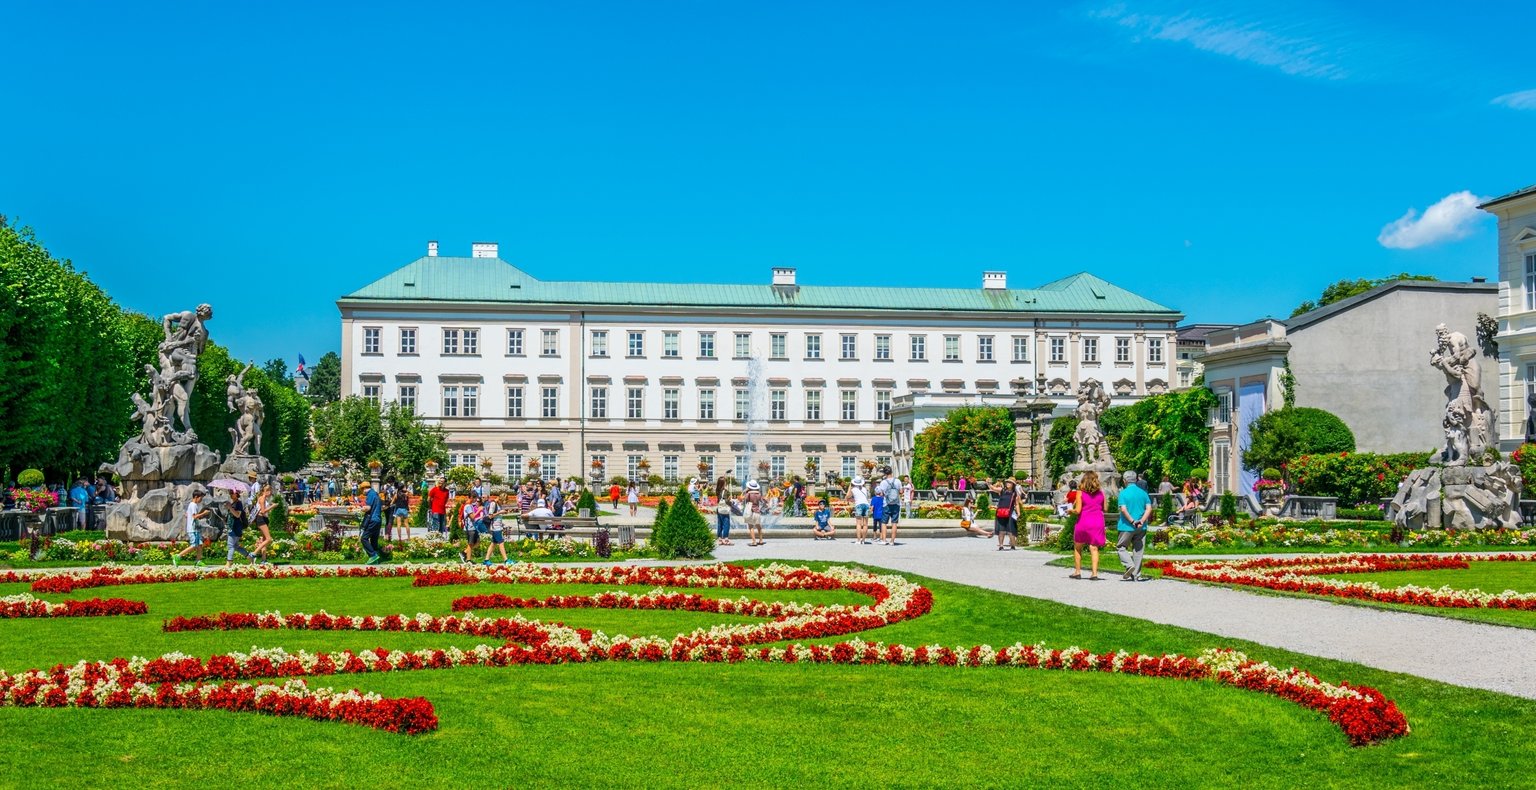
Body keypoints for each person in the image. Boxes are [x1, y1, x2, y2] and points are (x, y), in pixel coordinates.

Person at [1069, 471, 1107, 580]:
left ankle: (1077, 572)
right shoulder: (1101, 493)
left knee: (1078, 547)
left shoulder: (1080, 493)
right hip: (1097, 521)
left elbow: (1078, 510)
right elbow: (1105, 508)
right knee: (1094, 548)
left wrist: (1070, 511)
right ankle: (1094, 574)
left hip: (1084, 521)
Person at [1116, 471, 1153, 581]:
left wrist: (1132, 521)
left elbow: (1123, 509)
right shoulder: (1143, 493)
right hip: (1141, 527)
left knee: (1121, 547)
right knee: (1138, 550)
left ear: (1125, 481)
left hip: (1126, 526)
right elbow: (1149, 508)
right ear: (1136, 480)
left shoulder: (1123, 493)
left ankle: (1129, 565)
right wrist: (1141, 520)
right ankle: (1136, 575)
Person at [172, 489, 212, 567]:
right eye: (201, 498)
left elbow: (188, 515)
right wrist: (204, 513)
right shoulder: (193, 505)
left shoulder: (192, 505)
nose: (201, 500)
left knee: (200, 544)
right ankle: (177, 556)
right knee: (194, 545)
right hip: (193, 529)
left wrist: (198, 515)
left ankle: (198, 561)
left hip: (196, 528)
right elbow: (194, 516)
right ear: (196, 497)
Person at [247, 471, 275, 564]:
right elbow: (263, 511)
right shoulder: (262, 498)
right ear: (265, 491)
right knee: (268, 539)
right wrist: (272, 506)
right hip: (261, 519)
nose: (270, 493)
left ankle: (263, 560)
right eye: (269, 491)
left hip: (264, 519)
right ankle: (253, 553)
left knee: (264, 540)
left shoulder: (263, 498)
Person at [225, 490, 256, 566]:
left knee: (230, 545)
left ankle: (229, 562)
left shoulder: (238, 503)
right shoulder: (233, 503)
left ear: (237, 494)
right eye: (230, 493)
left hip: (235, 527)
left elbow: (238, 515)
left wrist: (230, 508)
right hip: (232, 527)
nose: (231, 495)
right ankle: (249, 557)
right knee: (236, 546)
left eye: (232, 493)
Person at [989, 478, 1019, 551]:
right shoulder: (1002, 491)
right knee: (1001, 530)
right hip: (1000, 512)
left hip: (1010, 513)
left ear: (1013, 485)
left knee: (1010, 530)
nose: (1008, 484)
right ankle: (1001, 546)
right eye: (1007, 482)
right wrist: (988, 483)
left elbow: (1017, 504)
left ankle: (1012, 545)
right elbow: (993, 488)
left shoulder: (1015, 494)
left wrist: (1019, 513)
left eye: (1010, 483)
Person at [359, 481, 384, 565]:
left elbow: (368, 508)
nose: (362, 493)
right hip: (378, 520)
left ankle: (373, 555)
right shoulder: (376, 494)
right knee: (374, 540)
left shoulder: (370, 494)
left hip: (372, 520)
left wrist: (361, 509)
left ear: (364, 488)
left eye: (362, 490)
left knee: (364, 538)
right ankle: (376, 560)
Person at [482, 495, 510, 565]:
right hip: (495, 527)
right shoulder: (493, 504)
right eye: (504, 502)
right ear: (501, 499)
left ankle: (486, 560)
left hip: (498, 526)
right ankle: (506, 560)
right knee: (501, 542)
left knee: (493, 543)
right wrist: (500, 512)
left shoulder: (498, 504)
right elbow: (490, 516)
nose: (503, 504)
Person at [879, 471, 902, 545]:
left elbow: (881, 494)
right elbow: (901, 491)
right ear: (892, 472)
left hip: (887, 504)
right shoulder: (898, 481)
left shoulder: (883, 482)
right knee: (894, 523)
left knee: (883, 523)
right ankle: (892, 541)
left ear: (885, 474)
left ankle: (884, 540)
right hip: (896, 503)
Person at [459, 493, 484, 562]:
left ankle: (464, 553)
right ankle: (468, 559)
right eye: (475, 498)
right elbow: (472, 517)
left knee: (477, 542)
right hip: (470, 527)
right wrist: (479, 510)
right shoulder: (468, 506)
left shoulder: (470, 505)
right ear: (472, 498)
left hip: (473, 527)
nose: (476, 500)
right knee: (470, 544)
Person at [743, 480, 765, 546]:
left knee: (751, 527)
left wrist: (745, 491)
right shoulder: (759, 493)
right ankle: (761, 540)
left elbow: (744, 500)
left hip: (750, 511)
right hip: (757, 511)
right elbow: (762, 502)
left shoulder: (748, 493)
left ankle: (754, 541)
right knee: (759, 526)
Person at [849, 476, 871, 544]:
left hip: (859, 505)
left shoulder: (853, 489)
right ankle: (863, 540)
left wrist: (850, 487)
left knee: (858, 524)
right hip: (866, 505)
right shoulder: (864, 489)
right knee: (865, 524)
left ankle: (858, 540)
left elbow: (847, 496)